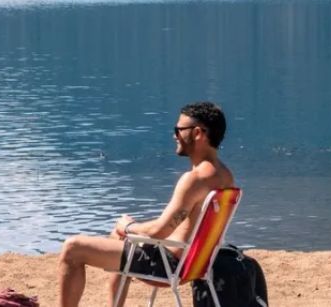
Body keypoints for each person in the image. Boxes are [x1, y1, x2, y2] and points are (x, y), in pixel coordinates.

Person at [57, 101, 235, 307]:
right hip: (193, 262)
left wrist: (129, 226)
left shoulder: (195, 179)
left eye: (178, 130)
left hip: (168, 265)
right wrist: (126, 230)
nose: (174, 136)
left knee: (73, 248)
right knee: (118, 234)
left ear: (197, 133)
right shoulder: (225, 175)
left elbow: (159, 231)